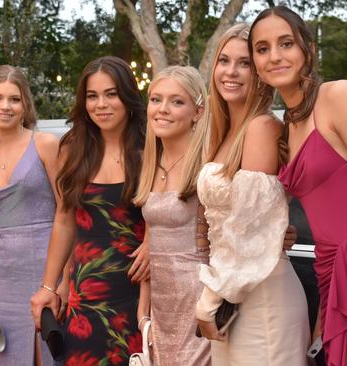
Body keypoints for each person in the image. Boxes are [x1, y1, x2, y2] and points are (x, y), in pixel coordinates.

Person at [250, 6, 347, 365]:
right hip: (328, 269)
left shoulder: (337, 97)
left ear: (308, 49)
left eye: (286, 43)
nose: (275, 56)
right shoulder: (285, 127)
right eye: (263, 48)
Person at [194, 23, 310, 365]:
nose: (231, 72)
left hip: (264, 300)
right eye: (224, 60)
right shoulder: (221, 134)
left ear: (259, 71)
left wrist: (207, 302)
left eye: (244, 62)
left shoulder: (262, 127)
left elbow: (247, 231)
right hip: (230, 297)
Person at [30, 56, 149, 366]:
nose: (101, 104)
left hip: (138, 293)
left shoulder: (151, 149)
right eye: (92, 96)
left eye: (111, 94)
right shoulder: (72, 148)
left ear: (127, 96)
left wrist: (154, 242)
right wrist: (51, 285)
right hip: (84, 296)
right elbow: (65, 220)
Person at [0, 65, 60, 366]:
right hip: (4, 275)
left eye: (14, 99)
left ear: (25, 105)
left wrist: (62, 281)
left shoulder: (46, 145)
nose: (5, 106)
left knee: (49, 353)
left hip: (47, 265)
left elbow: (68, 215)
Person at [132, 65, 210, 365]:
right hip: (160, 310)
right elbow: (151, 248)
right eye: (155, 99)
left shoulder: (208, 163)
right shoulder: (150, 161)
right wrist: (143, 314)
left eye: (177, 101)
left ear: (197, 111)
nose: (162, 109)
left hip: (198, 302)